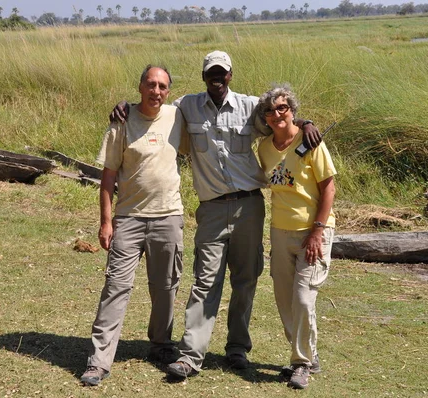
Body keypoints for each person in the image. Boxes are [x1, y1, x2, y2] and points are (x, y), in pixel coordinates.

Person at [110, 51, 323, 379]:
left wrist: (306, 122)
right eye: (212, 73)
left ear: (230, 75)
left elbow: (281, 117)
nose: (217, 78)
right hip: (211, 210)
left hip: (249, 207)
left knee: (245, 279)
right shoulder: (186, 106)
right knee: (205, 281)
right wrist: (125, 104)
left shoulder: (250, 106)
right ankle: (191, 357)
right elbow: (154, 107)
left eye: (222, 73)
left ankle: (237, 349)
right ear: (203, 75)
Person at [80, 65, 187, 387]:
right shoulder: (122, 121)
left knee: (166, 287)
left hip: (168, 216)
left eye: (162, 86)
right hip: (128, 219)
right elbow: (108, 176)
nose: (156, 91)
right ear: (140, 87)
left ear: (168, 91)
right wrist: (105, 221)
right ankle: (99, 362)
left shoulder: (177, 116)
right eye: (151, 85)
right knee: (116, 287)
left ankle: (161, 344)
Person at [256, 84, 336, 390]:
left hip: (313, 231)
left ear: (292, 110)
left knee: (303, 298)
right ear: (264, 117)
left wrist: (317, 230)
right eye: (271, 110)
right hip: (280, 231)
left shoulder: (310, 141)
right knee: (284, 299)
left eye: (283, 108)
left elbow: (328, 187)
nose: (277, 114)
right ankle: (308, 355)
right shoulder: (264, 147)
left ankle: (301, 363)